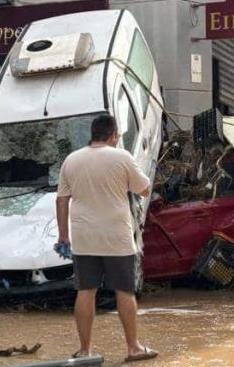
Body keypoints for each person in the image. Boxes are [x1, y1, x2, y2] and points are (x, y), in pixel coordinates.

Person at [56, 114, 158, 363]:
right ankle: (133, 348)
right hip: (117, 237)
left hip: (84, 237)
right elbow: (144, 190)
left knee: (85, 290)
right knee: (124, 291)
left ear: (92, 134)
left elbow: (61, 199)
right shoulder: (122, 157)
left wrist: (63, 236)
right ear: (114, 135)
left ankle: (85, 350)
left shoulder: (71, 160)